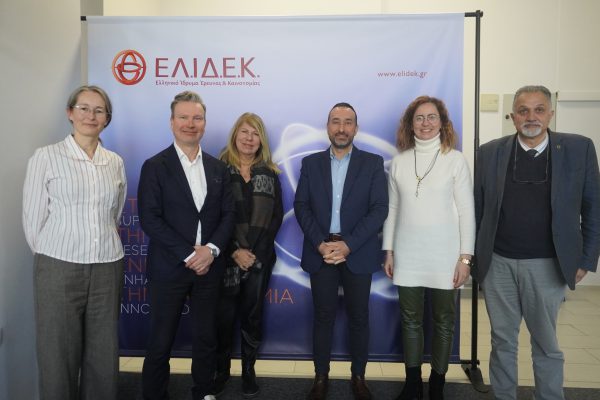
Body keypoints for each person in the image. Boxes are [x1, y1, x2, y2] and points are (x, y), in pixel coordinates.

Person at [474, 85, 600, 400]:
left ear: (550, 114)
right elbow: (478, 209)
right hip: (498, 264)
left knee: (546, 343)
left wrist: (586, 259)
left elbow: (593, 208)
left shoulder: (579, 149)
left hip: (548, 264)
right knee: (502, 341)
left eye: (539, 109)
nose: (531, 117)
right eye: (523, 111)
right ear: (513, 116)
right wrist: (474, 258)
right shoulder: (490, 152)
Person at [22, 85, 126, 400]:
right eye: (83, 108)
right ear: (70, 113)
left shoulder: (114, 162)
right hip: (58, 266)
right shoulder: (46, 157)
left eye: (99, 110)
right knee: (57, 353)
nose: (90, 116)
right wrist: (58, 252)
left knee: (103, 354)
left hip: (107, 265)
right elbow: (33, 220)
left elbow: (115, 213)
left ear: (107, 118)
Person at [138, 91, 235, 400]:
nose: (190, 124)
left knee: (206, 337)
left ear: (204, 123)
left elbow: (229, 216)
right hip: (169, 267)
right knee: (161, 340)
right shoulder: (155, 166)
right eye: (183, 117)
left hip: (210, 267)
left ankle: (204, 392)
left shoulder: (219, 168)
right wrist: (190, 254)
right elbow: (149, 218)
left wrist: (212, 250)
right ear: (172, 122)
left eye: (197, 118)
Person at [382, 96, 476, 400]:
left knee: (444, 321)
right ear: (410, 124)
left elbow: (467, 212)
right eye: (419, 118)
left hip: (446, 256)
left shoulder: (455, 160)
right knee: (410, 321)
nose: (425, 123)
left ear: (442, 122)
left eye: (432, 117)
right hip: (407, 253)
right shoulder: (399, 162)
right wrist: (388, 250)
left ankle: (437, 385)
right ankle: (413, 384)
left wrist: (465, 258)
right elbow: (393, 209)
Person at [294, 102, 388, 400]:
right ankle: (320, 377)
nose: (342, 128)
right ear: (328, 127)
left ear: (356, 128)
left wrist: (348, 244)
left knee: (359, 317)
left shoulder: (372, 163)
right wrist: (321, 243)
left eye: (348, 122)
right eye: (336, 121)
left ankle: (358, 377)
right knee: (323, 316)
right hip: (320, 251)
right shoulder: (311, 164)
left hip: (356, 251)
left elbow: (379, 209)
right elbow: (301, 206)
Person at [213, 112, 283, 398]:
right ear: (235, 135)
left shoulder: (270, 173)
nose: (249, 138)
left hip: (259, 259)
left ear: (261, 140)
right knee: (223, 319)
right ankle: (221, 371)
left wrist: (254, 254)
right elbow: (213, 217)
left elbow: (276, 218)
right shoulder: (218, 170)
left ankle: (248, 370)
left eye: (255, 134)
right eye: (245, 132)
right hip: (225, 258)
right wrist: (234, 252)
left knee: (252, 317)